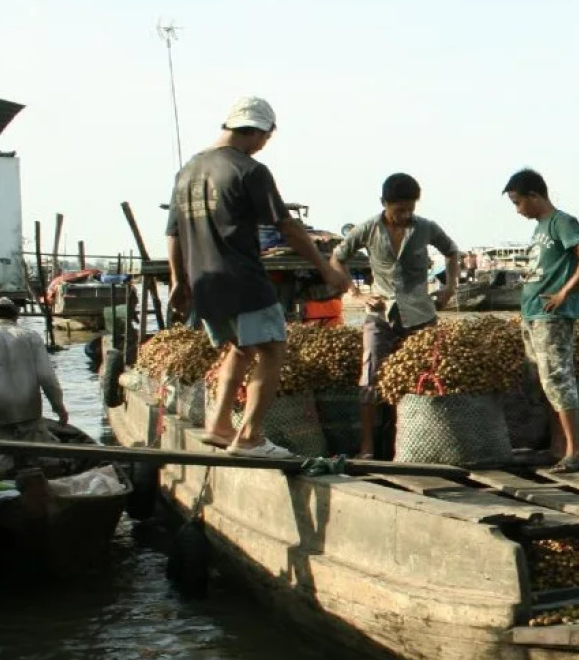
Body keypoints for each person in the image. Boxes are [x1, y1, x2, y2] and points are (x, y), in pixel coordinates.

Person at [166, 96, 349, 457]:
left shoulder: (187, 172)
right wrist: (324, 267)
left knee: (241, 347)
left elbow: (173, 233)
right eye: (265, 138)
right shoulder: (249, 170)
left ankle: (219, 426)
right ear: (256, 131)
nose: (264, 145)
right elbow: (287, 227)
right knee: (273, 349)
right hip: (242, 280)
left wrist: (178, 281)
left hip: (204, 283)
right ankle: (249, 436)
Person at [337, 173, 464, 458]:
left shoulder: (426, 227)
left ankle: (418, 446)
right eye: (399, 210)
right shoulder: (368, 228)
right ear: (384, 203)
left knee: (425, 376)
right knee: (370, 377)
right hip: (380, 313)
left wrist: (449, 287)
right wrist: (356, 294)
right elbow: (338, 258)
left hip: (420, 313)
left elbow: (452, 252)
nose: (405, 215)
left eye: (410, 209)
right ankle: (368, 447)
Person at [504, 168, 579, 469]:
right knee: (545, 383)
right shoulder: (540, 228)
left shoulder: (562, 222)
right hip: (534, 314)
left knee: (558, 379)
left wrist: (564, 292)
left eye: (518, 202)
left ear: (534, 196)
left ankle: (575, 451)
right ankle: (558, 447)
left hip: (552, 316)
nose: (517, 210)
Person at [0, 297, 66, 439]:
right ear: (16, 316)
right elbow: (47, 377)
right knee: (34, 446)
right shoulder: (31, 336)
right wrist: (59, 407)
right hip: (29, 410)